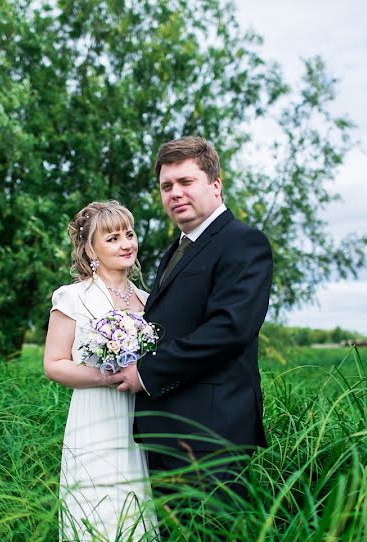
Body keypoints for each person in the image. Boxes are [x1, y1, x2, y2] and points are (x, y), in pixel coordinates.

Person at [112, 136, 273, 514]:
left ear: (215, 185)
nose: (175, 193)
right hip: (167, 427)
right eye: (167, 186)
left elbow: (229, 329)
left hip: (210, 433)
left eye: (186, 182)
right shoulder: (179, 248)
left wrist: (146, 373)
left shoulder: (243, 242)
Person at [43, 201, 156, 542]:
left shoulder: (147, 299)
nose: (126, 244)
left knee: (137, 503)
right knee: (98, 504)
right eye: (113, 237)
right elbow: (54, 363)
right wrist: (104, 376)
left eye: (129, 234)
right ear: (91, 249)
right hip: (95, 415)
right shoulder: (74, 298)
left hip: (140, 416)